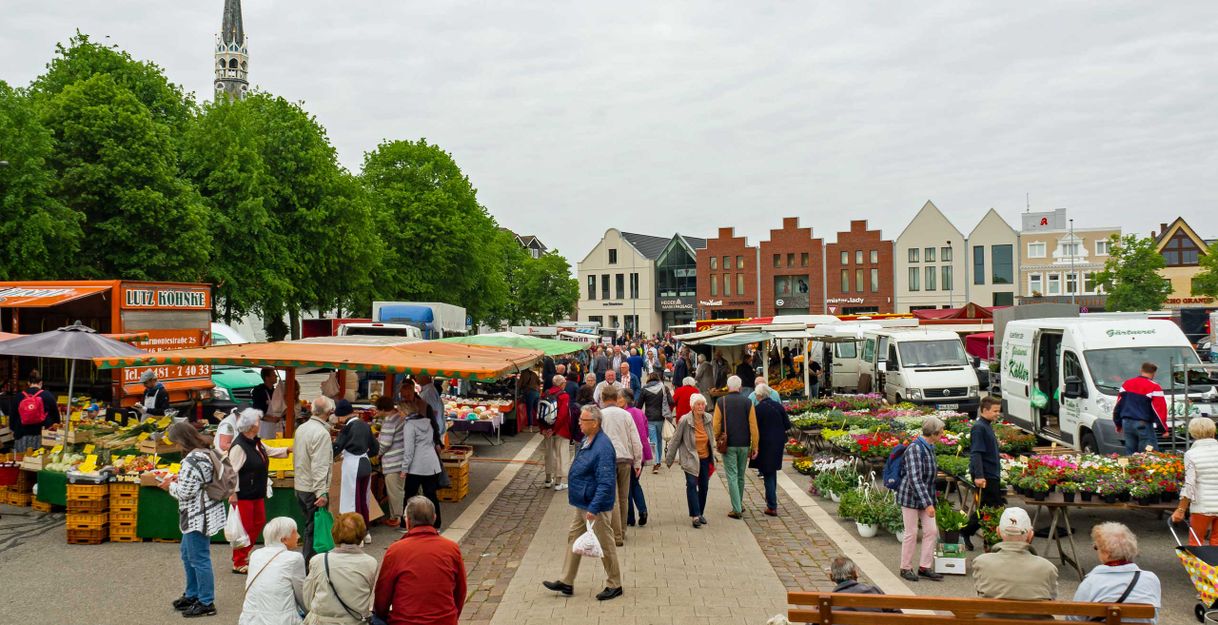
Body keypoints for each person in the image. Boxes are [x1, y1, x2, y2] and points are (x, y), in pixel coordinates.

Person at [541, 406, 624, 601]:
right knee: (573, 538)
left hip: (595, 505)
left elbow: (606, 482)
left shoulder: (603, 446)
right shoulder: (588, 439)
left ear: (595, 423)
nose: (579, 423)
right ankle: (566, 581)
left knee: (605, 544)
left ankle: (615, 583)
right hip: (583, 501)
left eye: (583, 420)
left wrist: (594, 508)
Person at [162, 421, 226, 618]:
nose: (175, 446)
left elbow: (186, 492)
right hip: (205, 511)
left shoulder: (192, 460)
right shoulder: (205, 451)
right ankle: (192, 594)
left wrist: (168, 486)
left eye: (175, 442)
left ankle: (206, 601)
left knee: (198, 558)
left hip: (197, 515)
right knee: (188, 554)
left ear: (182, 440)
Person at [375, 496, 467, 624]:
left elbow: (383, 594)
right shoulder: (451, 548)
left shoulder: (396, 550)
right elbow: (460, 591)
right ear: (434, 518)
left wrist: (380, 615)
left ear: (407, 522)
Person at [229, 408, 291, 574]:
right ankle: (238, 561)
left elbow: (268, 451)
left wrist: (287, 450)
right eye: (257, 421)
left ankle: (244, 554)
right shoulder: (239, 446)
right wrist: (233, 493)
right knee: (245, 528)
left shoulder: (255, 441)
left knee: (257, 523)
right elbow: (231, 472)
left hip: (256, 492)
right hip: (243, 495)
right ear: (250, 426)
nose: (259, 424)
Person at [971, 507, 1058, 616]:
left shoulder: (981, 562)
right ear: (1031, 535)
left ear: (998, 532)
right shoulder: (1048, 568)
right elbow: (1052, 599)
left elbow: (979, 597)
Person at [1068, 522, 1161, 623]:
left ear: (1107, 553)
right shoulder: (1151, 579)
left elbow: (1074, 619)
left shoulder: (1090, 582)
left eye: (1096, 547)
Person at [304, 512, 378, 625]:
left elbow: (308, 599)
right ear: (361, 534)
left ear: (334, 533)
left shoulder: (318, 561)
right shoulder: (371, 563)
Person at [896, 416, 944, 582]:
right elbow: (915, 479)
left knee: (931, 531)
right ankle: (905, 567)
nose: (943, 434)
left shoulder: (929, 446)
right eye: (941, 432)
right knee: (911, 532)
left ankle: (924, 567)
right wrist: (928, 504)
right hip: (910, 496)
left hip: (925, 496)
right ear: (934, 433)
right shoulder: (915, 449)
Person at [238, 517, 306, 625]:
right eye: (295, 532)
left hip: (249, 619)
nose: (298, 536)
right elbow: (302, 594)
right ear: (284, 539)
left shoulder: (256, 554)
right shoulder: (294, 558)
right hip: (281, 621)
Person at [599, 386, 643, 545]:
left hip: (607, 460)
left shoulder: (600, 415)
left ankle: (616, 535)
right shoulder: (626, 415)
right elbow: (635, 440)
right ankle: (622, 531)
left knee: (613, 498)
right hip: (625, 459)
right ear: (616, 397)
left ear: (603, 398)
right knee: (624, 498)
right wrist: (637, 461)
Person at [295, 396, 335, 569]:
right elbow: (319, 465)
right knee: (314, 530)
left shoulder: (302, 428)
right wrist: (322, 492)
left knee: (310, 527)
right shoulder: (321, 433)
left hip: (301, 485)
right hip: (312, 488)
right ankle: (310, 567)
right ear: (329, 412)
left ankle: (310, 564)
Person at [712, 375, 759, 520]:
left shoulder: (721, 401)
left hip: (729, 444)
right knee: (740, 475)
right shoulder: (748, 402)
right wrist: (755, 445)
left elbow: (716, 425)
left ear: (727, 386)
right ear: (740, 387)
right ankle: (739, 502)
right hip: (744, 444)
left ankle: (737, 508)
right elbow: (753, 425)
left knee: (731, 475)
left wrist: (717, 438)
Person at [665, 393, 714, 527]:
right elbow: (675, 439)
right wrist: (669, 458)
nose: (701, 406)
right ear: (692, 406)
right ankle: (695, 515)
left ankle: (700, 512)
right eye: (698, 404)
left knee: (704, 486)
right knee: (692, 484)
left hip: (704, 457)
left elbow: (711, 437)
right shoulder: (685, 420)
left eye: (703, 404)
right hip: (690, 457)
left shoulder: (708, 418)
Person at [963, 396, 1006, 551]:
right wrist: (979, 476)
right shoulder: (979, 427)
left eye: (998, 411)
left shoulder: (985, 425)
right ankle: (972, 533)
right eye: (995, 411)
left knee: (987, 508)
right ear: (985, 410)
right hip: (986, 476)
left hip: (990, 474)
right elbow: (976, 453)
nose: (997, 414)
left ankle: (968, 532)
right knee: (991, 508)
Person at [333, 400, 379, 530]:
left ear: (342, 415)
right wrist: (365, 456)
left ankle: (357, 533)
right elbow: (375, 447)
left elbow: (337, 447)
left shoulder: (347, 428)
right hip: (365, 463)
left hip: (353, 465)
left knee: (353, 501)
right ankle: (366, 531)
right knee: (364, 499)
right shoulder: (365, 425)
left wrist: (329, 456)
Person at [400, 395, 444, 529]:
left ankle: (405, 524)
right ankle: (436, 523)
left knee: (409, 495)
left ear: (405, 411)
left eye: (399, 411)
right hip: (432, 464)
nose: (399, 414)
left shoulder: (409, 425)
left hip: (416, 466)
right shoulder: (427, 422)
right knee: (431, 495)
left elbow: (409, 450)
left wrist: (404, 469)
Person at [1173, 417, 1218, 545]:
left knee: (1196, 542)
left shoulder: (1191, 454)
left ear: (1192, 433)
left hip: (1202, 506)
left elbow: (1190, 484)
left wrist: (1181, 509)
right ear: (1213, 431)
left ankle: (1199, 565)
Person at [750, 384, 790, 517]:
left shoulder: (757, 409)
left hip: (765, 444)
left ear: (759, 396)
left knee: (768, 473)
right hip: (778, 443)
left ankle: (772, 505)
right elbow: (787, 425)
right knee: (771, 472)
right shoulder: (778, 406)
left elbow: (754, 429)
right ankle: (771, 500)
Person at [1113, 362, 1168, 455]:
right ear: (1154, 373)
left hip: (1126, 423)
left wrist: (1118, 424)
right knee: (1149, 454)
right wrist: (1163, 429)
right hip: (1143, 424)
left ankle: (1129, 469)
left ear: (1141, 370)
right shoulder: (1154, 387)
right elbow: (1159, 411)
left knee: (1130, 454)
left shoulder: (1126, 384)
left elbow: (1118, 406)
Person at [619, 390, 652, 527]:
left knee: (628, 486)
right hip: (641, 453)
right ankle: (642, 511)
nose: (616, 400)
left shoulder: (624, 415)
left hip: (629, 453)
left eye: (619, 398)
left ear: (625, 400)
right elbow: (646, 430)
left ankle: (630, 517)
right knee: (634, 483)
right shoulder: (639, 412)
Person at [375, 395, 408, 528]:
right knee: (398, 489)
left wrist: (376, 453)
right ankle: (397, 517)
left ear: (383, 409)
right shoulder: (399, 417)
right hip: (401, 457)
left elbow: (385, 443)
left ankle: (396, 518)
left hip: (393, 461)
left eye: (378, 410)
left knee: (394, 491)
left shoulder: (389, 421)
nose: (377, 413)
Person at [11, 370, 60, 453]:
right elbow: (56, 419)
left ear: (28, 383)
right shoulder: (47, 395)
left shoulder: (18, 397)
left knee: (22, 462)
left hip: (22, 436)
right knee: (40, 462)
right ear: (41, 383)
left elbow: (12, 422)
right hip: (42, 436)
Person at [828, 556, 898, 613]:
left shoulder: (826, 602)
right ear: (855, 574)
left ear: (832, 577)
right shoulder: (874, 590)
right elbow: (897, 614)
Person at [635, 372, 671, 474]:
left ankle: (656, 462)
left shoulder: (644, 389)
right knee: (659, 439)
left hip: (649, 417)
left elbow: (638, 405)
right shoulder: (664, 388)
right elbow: (671, 401)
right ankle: (658, 460)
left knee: (653, 440)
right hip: (661, 417)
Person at [542, 375, 573, 491]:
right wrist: (554, 429)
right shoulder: (564, 396)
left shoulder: (545, 393)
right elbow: (563, 415)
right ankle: (558, 483)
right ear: (561, 384)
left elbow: (540, 411)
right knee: (561, 455)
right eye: (565, 382)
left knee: (549, 455)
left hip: (546, 429)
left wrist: (545, 429)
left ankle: (548, 479)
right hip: (560, 430)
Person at [251, 368, 281, 440]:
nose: (276, 376)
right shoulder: (259, 391)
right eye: (274, 375)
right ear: (267, 378)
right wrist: (270, 419)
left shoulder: (274, 391)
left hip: (275, 428)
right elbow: (257, 412)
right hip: (263, 428)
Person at [416, 373, 447, 439]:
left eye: (418, 374)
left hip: (430, 434)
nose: (415, 376)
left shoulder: (428, 392)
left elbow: (433, 413)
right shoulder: (429, 390)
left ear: (425, 376)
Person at [518, 365, 542, 432]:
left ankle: (530, 427)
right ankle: (540, 425)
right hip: (536, 392)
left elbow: (519, 385)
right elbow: (539, 382)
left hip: (530, 393)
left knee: (529, 410)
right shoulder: (533, 373)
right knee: (537, 409)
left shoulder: (523, 374)